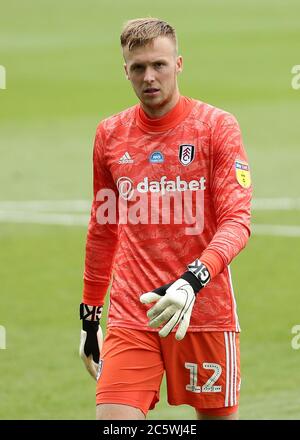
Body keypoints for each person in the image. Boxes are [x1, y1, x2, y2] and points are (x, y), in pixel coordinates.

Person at [79, 17, 252, 421]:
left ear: (179, 63)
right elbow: (103, 229)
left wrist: (192, 281)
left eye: (159, 64)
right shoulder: (109, 135)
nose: (149, 77)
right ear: (125, 71)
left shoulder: (216, 128)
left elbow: (237, 221)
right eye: (138, 67)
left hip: (206, 313)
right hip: (132, 313)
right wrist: (90, 317)